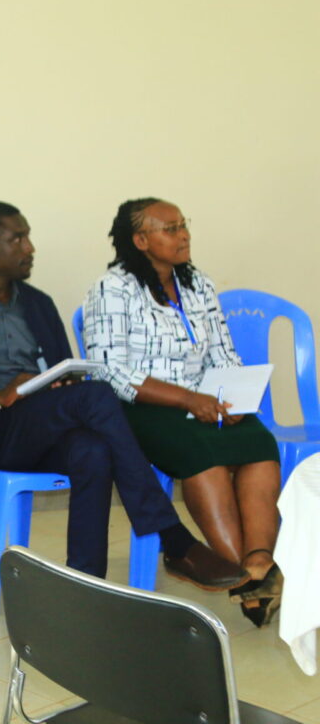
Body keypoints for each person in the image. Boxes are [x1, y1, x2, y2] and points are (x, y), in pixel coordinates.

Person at [0, 201, 246, 589]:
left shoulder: (38, 304)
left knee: (93, 449)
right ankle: (172, 537)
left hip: (39, 428)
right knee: (98, 396)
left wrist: (59, 384)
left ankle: (85, 586)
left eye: (28, 236)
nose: (30, 248)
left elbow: (63, 371)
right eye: (17, 239)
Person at [82, 198, 283, 627]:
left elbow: (223, 353)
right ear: (140, 240)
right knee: (199, 451)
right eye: (169, 229)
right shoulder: (112, 288)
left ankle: (259, 563)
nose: (183, 235)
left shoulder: (199, 285)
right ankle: (241, 575)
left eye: (183, 225)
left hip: (205, 401)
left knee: (257, 441)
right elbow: (111, 371)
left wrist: (231, 399)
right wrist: (187, 400)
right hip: (140, 406)